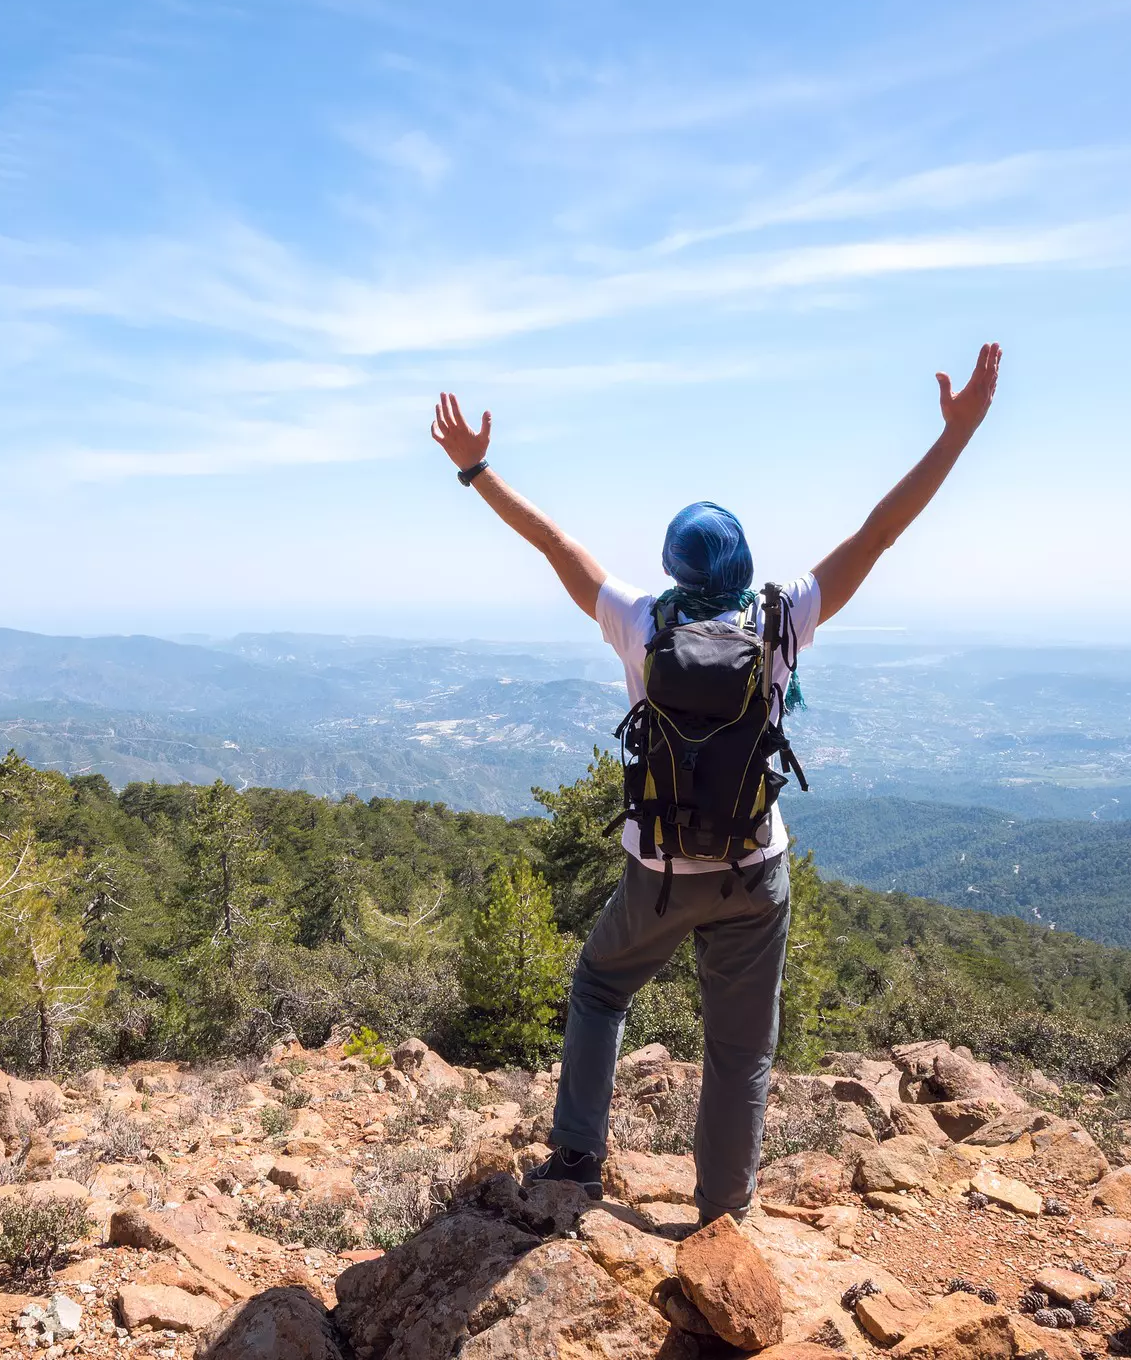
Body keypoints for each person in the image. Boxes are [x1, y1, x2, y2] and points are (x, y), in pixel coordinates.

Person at [429, 342, 1003, 1223]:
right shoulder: (783, 618)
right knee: (740, 1053)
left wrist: (477, 470)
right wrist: (957, 436)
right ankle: (722, 1218)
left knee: (598, 987)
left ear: (673, 570)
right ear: (740, 564)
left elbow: (553, 541)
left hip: (657, 873)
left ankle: (578, 1159)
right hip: (752, 870)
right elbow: (881, 531)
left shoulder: (638, 621)